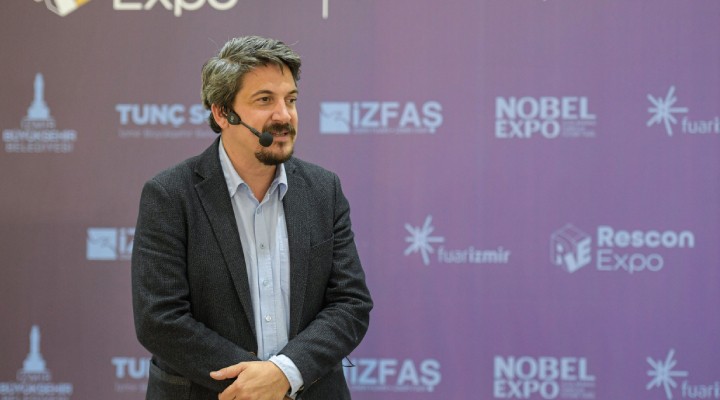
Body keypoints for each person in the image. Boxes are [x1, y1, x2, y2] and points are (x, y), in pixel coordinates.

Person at [131, 36, 373, 400]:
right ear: (222, 113)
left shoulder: (324, 190)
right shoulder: (169, 195)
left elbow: (350, 304)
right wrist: (253, 384)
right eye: (265, 100)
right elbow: (159, 319)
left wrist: (284, 373)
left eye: (291, 100)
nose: (284, 115)